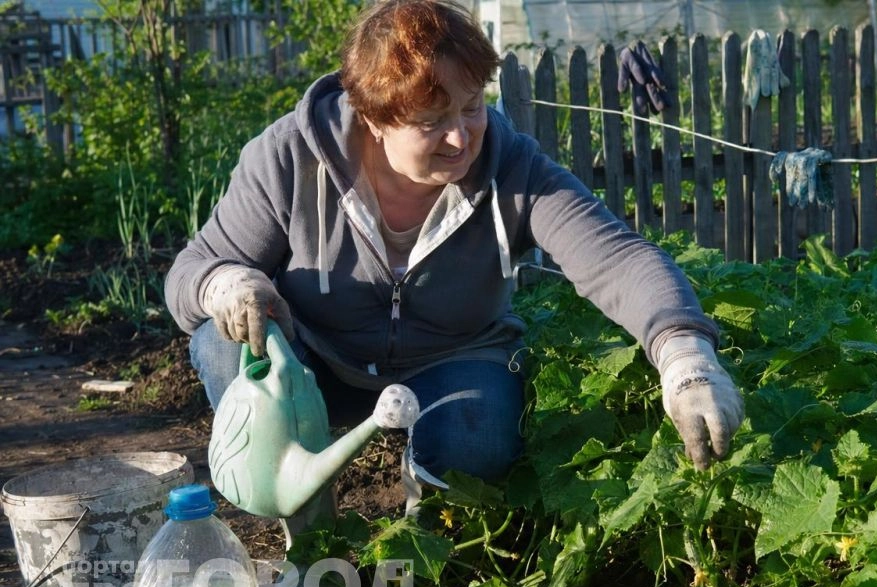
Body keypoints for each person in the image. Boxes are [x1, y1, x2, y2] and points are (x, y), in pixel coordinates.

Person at [165, 0, 743, 543]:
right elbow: (190, 272)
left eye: (472, 107)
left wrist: (685, 356)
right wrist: (224, 282)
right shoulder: (290, 158)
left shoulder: (510, 168)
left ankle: (427, 537)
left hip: (452, 359)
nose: (461, 136)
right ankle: (309, 519)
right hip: (314, 363)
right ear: (373, 117)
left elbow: (614, 257)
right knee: (222, 342)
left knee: (479, 444)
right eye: (431, 120)